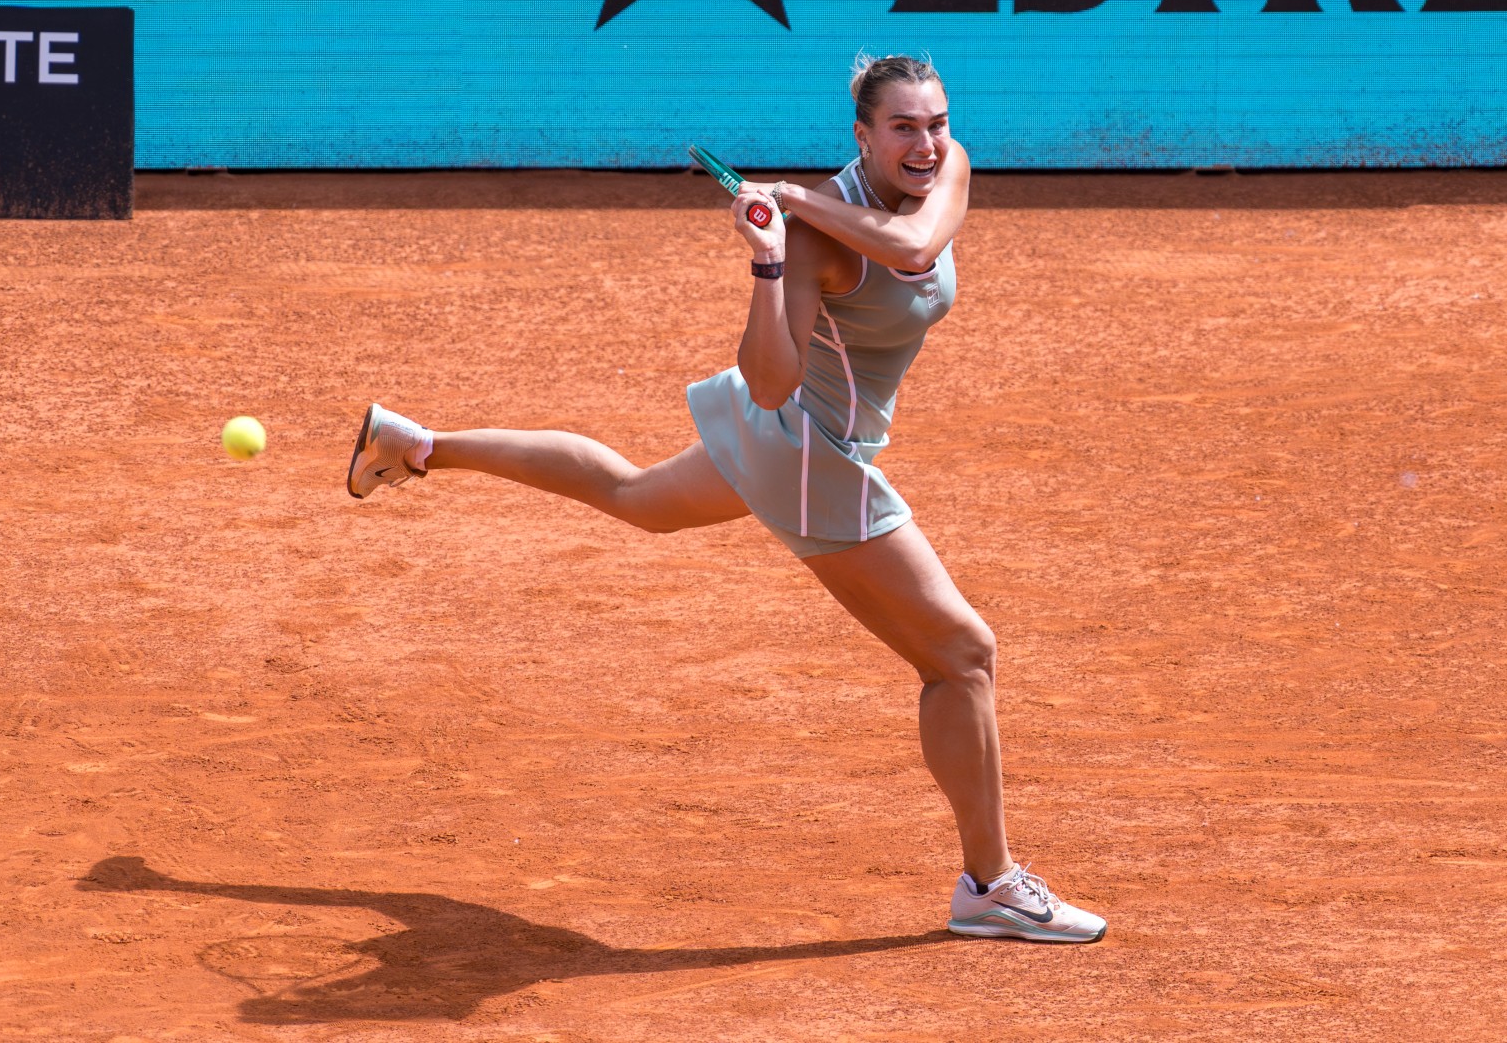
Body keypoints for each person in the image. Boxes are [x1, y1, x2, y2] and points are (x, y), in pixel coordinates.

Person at [346, 54, 1104, 943]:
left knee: (634, 494)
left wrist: (794, 197)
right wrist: (772, 261)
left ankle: (419, 445)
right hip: (808, 453)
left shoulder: (947, 170)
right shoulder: (814, 241)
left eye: (935, 122)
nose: (928, 142)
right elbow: (772, 383)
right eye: (904, 127)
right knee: (962, 656)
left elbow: (912, 247)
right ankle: (991, 883)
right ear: (862, 136)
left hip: (794, 437)